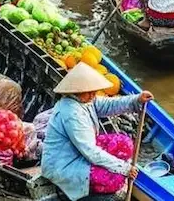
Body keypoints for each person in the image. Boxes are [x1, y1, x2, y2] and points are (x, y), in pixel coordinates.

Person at [40, 62, 152, 201]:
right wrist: (124, 168)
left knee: (124, 143)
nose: (93, 95)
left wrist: (136, 100)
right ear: (77, 91)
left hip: (79, 151)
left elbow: (109, 105)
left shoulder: (86, 101)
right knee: (115, 178)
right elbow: (90, 152)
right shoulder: (71, 113)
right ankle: (75, 194)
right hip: (64, 164)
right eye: (89, 92)